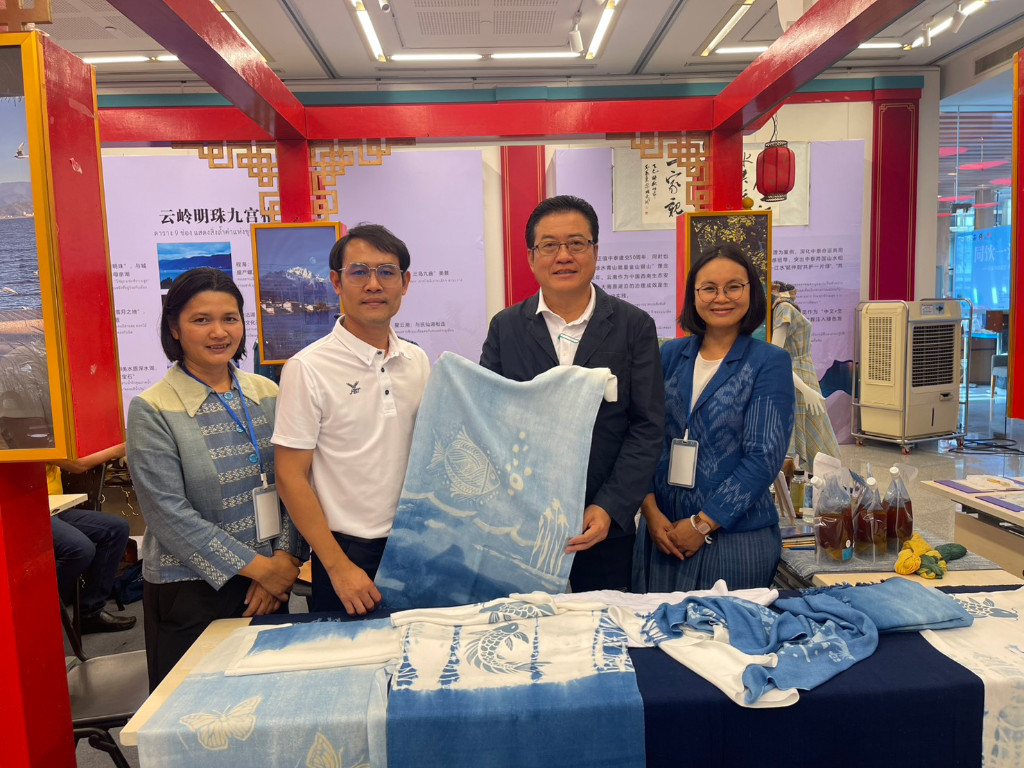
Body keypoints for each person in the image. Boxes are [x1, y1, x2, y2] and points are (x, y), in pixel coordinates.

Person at [126, 267, 303, 689]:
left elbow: (298, 483)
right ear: (174, 328)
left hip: (270, 583)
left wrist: (286, 560)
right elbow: (168, 516)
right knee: (195, 711)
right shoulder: (153, 408)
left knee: (267, 702)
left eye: (230, 318)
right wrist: (260, 569)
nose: (219, 332)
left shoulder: (268, 394)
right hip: (192, 590)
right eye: (201, 320)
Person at [480, 195, 664, 592]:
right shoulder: (506, 328)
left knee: (603, 624)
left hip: (604, 527)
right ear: (531, 257)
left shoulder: (633, 326)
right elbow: (489, 419)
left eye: (576, 243)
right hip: (523, 525)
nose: (563, 256)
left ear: (595, 251)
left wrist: (610, 506)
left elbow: (647, 427)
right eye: (549, 245)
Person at [274, 224, 430, 615]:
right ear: (336, 282)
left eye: (387, 272)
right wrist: (337, 566)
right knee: (352, 653)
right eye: (359, 272)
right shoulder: (307, 368)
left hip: (415, 545)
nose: (374, 285)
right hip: (347, 554)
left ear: (405, 282)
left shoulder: (417, 361)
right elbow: (290, 477)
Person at [633, 244, 795, 593]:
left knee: (724, 627)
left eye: (733, 287)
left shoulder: (768, 362)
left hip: (733, 539)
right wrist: (649, 510)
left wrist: (703, 524)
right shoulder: (670, 354)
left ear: (751, 292)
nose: (721, 297)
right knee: (654, 625)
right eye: (709, 288)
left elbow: (763, 458)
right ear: (694, 296)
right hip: (662, 534)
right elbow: (644, 433)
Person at [48, 443, 136, 633]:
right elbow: (77, 465)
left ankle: (90, 613)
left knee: (117, 529)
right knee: (80, 549)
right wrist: (119, 449)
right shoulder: (28, 441)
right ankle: (39, 608)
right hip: (31, 511)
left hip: (57, 508)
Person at [771, 281, 840, 472]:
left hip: (804, 375)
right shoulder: (784, 309)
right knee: (814, 437)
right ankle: (806, 484)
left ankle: (815, 483)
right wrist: (804, 389)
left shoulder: (787, 308)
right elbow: (776, 356)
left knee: (816, 434)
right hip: (796, 378)